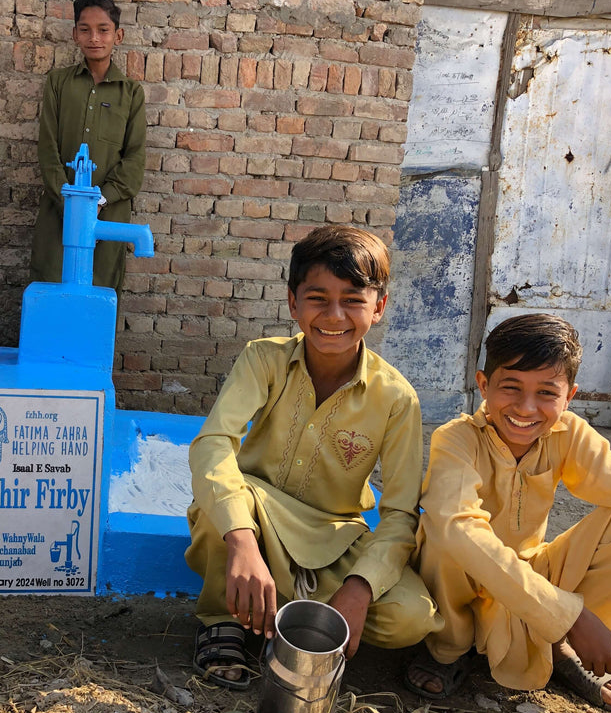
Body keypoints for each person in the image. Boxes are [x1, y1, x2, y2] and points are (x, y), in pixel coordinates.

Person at [185, 225, 443, 689]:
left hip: (334, 540)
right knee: (220, 500)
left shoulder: (397, 398)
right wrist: (242, 540)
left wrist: (360, 588)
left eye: (353, 300)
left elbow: (401, 514)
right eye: (318, 298)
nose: (334, 315)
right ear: (293, 302)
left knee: (412, 616)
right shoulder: (263, 359)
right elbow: (213, 443)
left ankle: (280, 617)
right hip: (259, 517)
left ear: (379, 307)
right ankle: (225, 618)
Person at [406, 314, 611, 711]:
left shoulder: (568, 435)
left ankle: (556, 646)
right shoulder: (457, 439)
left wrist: (565, 618)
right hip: (463, 587)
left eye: (546, 392)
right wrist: (571, 616)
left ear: (569, 396)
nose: (526, 408)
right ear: (484, 385)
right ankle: (448, 649)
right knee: (447, 532)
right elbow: (457, 528)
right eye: (511, 387)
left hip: (530, 577)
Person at [30, 0, 147, 292]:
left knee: (100, 293)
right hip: (59, 211)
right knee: (51, 288)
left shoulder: (131, 93)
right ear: (75, 35)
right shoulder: (58, 83)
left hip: (108, 215)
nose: (94, 37)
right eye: (85, 29)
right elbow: (48, 151)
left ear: (118, 36)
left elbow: (134, 161)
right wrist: (71, 204)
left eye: (103, 30)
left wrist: (98, 203)